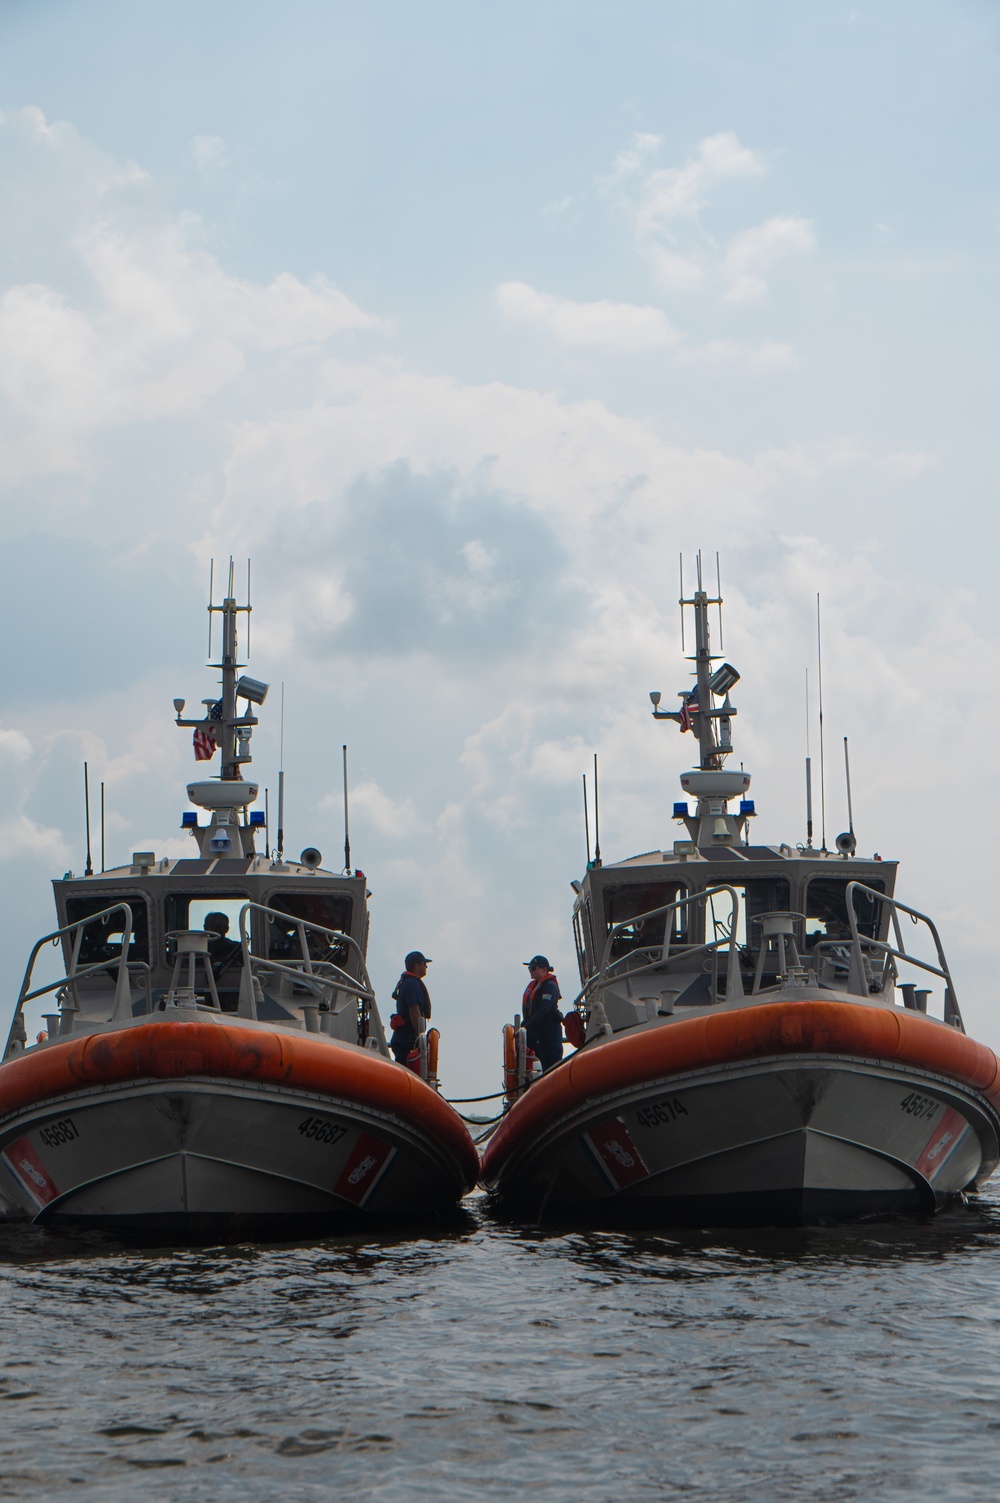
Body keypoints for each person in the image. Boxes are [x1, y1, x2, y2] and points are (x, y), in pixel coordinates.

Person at [390, 951, 432, 1065]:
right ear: (417, 966)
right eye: (424, 963)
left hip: (401, 1038)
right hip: (407, 1040)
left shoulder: (406, 982)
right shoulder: (412, 984)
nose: (426, 966)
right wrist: (421, 1037)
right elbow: (414, 1010)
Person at [521, 955, 563, 1072]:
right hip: (536, 1038)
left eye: (534, 968)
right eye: (529, 968)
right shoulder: (535, 986)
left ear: (544, 970)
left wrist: (526, 1028)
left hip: (548, 1038)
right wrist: (522, 1029)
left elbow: (543, 1011)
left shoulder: (550, 986)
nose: (531, 971)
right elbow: (531, 1014)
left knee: (550, 1069)